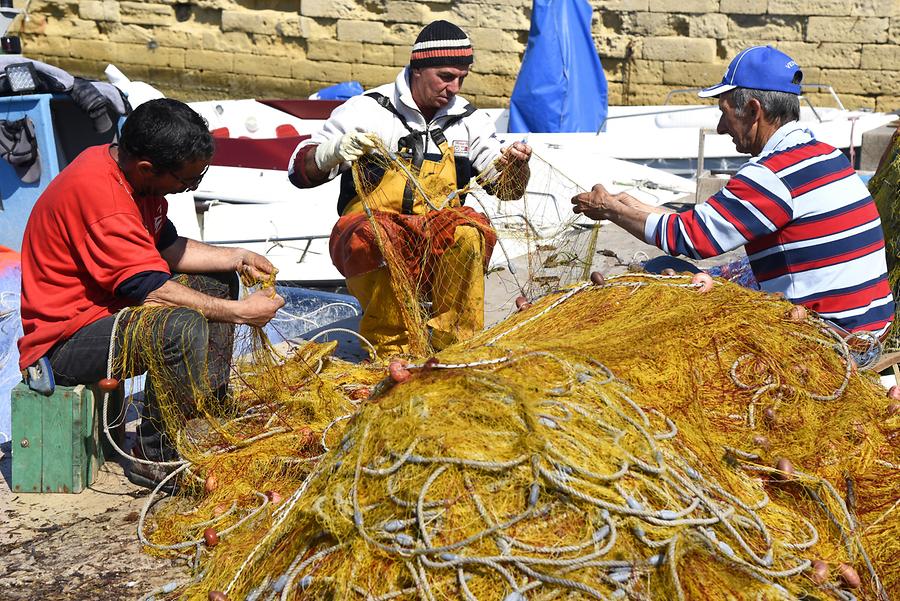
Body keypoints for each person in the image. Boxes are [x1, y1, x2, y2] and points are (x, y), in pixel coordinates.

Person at [17, 98, 285, 488]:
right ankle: (154, 454)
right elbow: (151, 292)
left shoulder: (133, 176)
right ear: (147, 168)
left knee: (219, 281)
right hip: (64, 341)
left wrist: (237, 257)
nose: (189, 188)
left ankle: (202, 413)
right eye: (187, 182)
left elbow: (167, 247)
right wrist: (242, 312)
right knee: (178, 326)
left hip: (106, 311)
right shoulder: (104, 200)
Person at [572, 45, 894, 338]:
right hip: (871, 328)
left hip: (830, 341)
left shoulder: (771, 175)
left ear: (754, 111)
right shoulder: (827, 156)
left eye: (725, 113)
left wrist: (611, 210)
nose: (722, 127)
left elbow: (689, 238)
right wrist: (627, 202)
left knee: (662, 271)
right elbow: (698, 221)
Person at [288, 20, 532, 357]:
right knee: (375, 236)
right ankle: (394, 348)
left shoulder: (470, 121)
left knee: (470, 231)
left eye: (462, 78)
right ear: (417, 68)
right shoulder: (366, 109)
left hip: (437, 237)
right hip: (373, 233)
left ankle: (454, 344)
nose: (455, 88)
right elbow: (298, 171)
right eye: (446, 77)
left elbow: (505, 189)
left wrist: (516, 167)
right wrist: (330, 153)